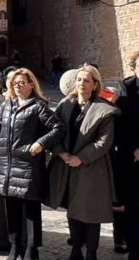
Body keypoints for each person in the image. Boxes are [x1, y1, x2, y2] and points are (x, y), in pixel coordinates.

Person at [48, 65, 121, 260]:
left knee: (90, 212)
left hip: (92, 167)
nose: (81, 83)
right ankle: (75, 249)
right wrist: (62, 154)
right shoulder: (65, 105)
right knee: (73, 210)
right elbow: (55, 132)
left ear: (95, 84)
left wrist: (80, 158)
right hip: (67, 166)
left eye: (86, 80)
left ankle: (91, 251)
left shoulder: (104, 109)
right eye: (79, 79)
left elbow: (104, 141)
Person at [0, 67, 64, 260]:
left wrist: (40, 143)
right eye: (15, 83)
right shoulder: (6, 105)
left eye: (22, 83)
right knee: (12, 210)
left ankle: (32, 250)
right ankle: (15, 247)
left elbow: (58, 128)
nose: (17, 86)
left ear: (31, 84)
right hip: (6, 166)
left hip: (28, 166)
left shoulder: (38, 106)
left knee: (31, 212)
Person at [115, 51, 139, 260]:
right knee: (132, 205)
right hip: (131, 157)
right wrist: (133, 147)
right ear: (134, 68)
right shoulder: (124, 89)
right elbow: (118, 125)